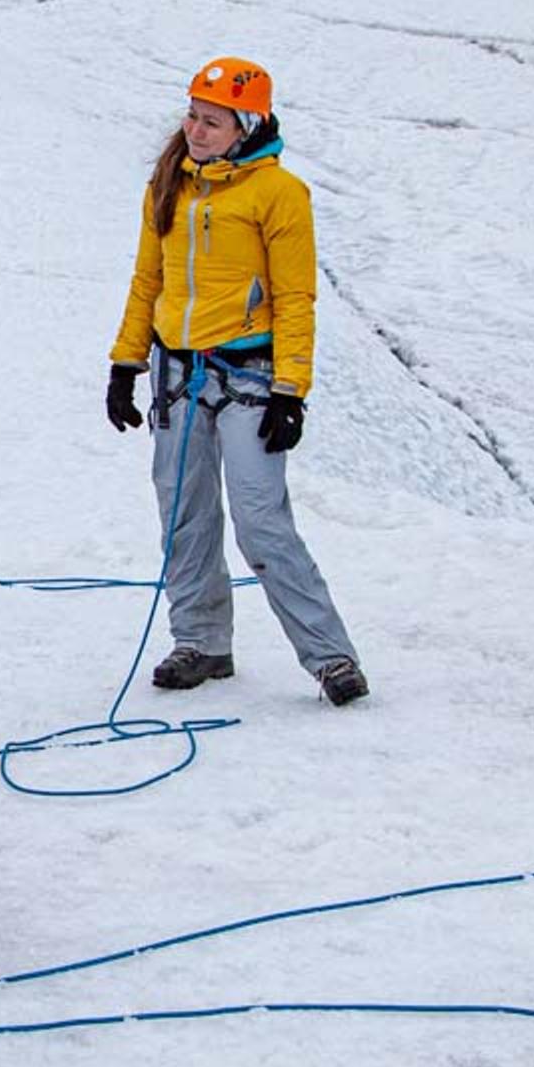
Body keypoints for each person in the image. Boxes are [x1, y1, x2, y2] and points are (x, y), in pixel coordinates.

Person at [104, 56, 368, 705]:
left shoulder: (279, 194)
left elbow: (295, 295)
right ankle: (201, 644)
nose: (196, 130)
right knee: (184, 516)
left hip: (249, 376)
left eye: (212, 121)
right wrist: (125, 362)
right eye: (193, 115)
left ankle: (330, 658)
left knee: (260, 520)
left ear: (246, 125)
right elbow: (149, 280)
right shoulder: (169, 186)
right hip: (176, 374)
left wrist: (290, 391)